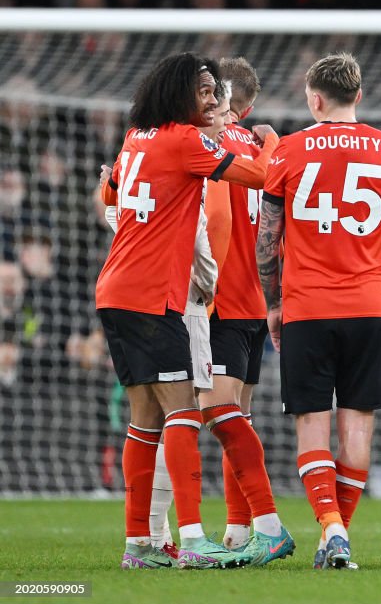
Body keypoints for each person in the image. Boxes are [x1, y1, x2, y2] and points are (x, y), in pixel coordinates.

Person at [95, 52, 278, 569]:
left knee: (144, 422)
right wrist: (271, 141)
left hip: (116, 290)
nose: (214, 101)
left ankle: (139, 545)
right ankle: (193, 539)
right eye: (205, 92)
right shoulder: (184, 140)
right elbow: (261, 175)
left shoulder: (137, 137)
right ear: (179, 94)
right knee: (183, 413)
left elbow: (109, 193)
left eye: (216, 93)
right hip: (154, 296)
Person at [256, 53, 381, 570]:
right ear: (359, 96)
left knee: (312, 423)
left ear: (314, 99)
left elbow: (266, 241)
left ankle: (332, 529)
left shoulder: (287, 151)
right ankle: (337, 533)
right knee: (358, 427)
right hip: (370, 306)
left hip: (306, 307)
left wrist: (274, 304)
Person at [205, 57, 278, 554]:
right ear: (249, 107)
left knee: (210, 415)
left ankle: (160, 533)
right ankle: (237, 528)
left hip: (221, 300)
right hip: (257, 301)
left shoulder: (209, 145)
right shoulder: (259, 146)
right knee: (239, 420)